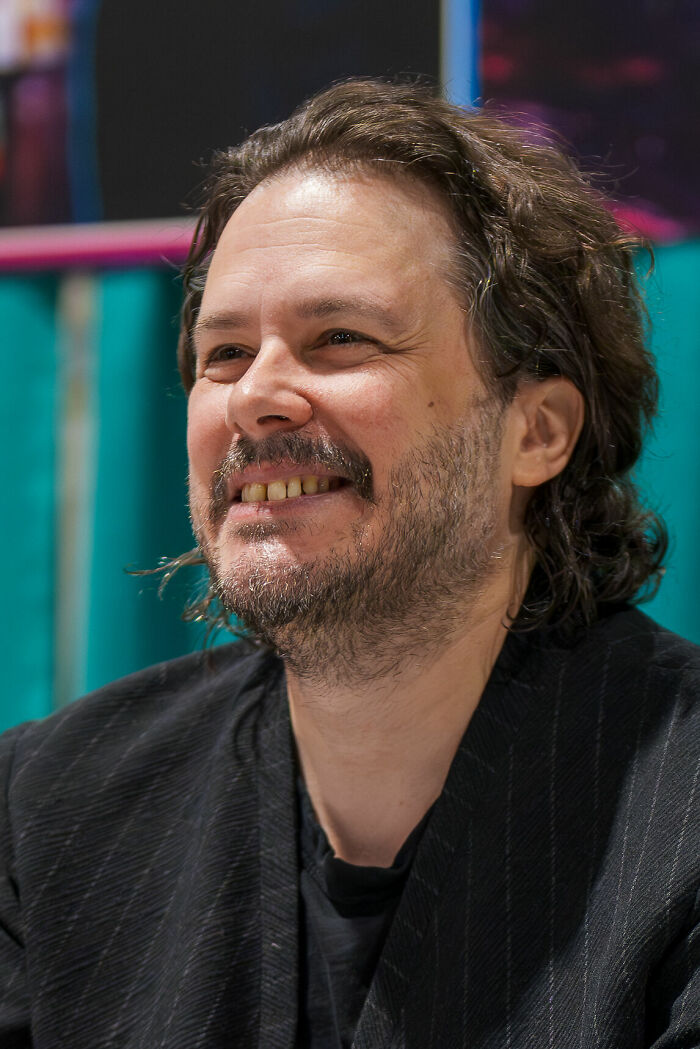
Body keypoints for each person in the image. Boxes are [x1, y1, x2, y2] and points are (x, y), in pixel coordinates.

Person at [0, 79, 697, 1049]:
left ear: (536, 431)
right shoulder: (52, 806)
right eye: (225, 351)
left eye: (340, 339)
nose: (256, 397)